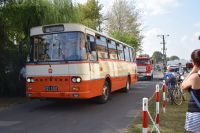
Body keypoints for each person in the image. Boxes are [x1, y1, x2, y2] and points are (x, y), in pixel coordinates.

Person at [181, 49, 200, 133]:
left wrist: (192, 71)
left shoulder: (195, 77)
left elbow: (183, 86)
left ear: (193, 62)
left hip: (196, 115)